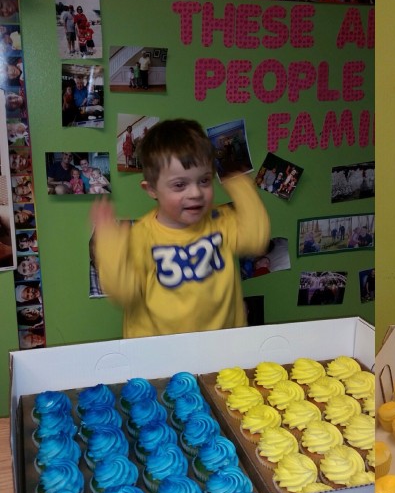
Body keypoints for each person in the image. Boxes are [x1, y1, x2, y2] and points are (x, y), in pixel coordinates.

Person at [89, 118, 271, 338]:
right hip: (160, 355)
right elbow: (123, 292)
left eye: (204, 181)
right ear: (152, 189)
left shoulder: (220, 220)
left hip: (221, 347)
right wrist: (109, 244)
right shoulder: (142, 237)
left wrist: (241, 185)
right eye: (179, 184)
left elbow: (256, 239)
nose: (195, 193)